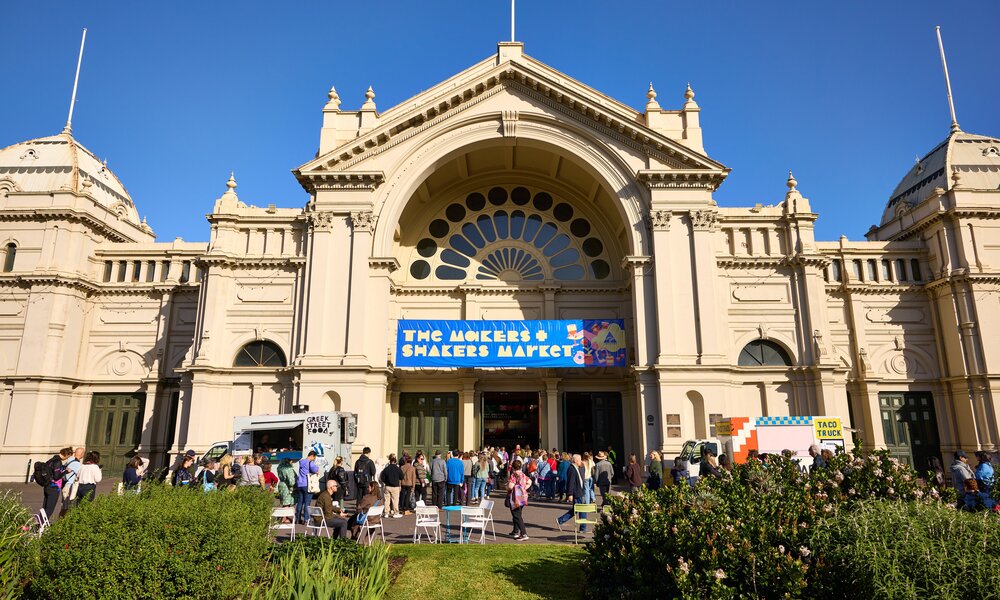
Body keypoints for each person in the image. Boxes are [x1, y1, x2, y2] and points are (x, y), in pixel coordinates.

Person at [556, 454, 589, 532]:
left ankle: (560, 520)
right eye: (579, 460)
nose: (581, 461)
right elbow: (570, 482)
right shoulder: (571, 469)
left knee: (576, 510)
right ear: (575, 460)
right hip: (576, 492)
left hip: (580, 491)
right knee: (581, 509)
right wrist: (570, 494)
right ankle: (583, 528)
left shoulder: (578, 468)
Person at [506, 459, 531, 540]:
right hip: (522, 497)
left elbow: (510, 486)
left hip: (515, 497)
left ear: (513, 467)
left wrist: (506, 487)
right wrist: (524, 488)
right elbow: (529, 482)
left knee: (517, 515)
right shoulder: (523, 475)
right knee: (517, 514)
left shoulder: (514, 475)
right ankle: (515, 531)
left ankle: (523, 534)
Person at [296, 451, 320, 523]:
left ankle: (298, 518)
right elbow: (316, 470)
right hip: (307, 484)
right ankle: (306, 519)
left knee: (300, 501)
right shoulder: (310, 463)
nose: (314, 459)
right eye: (314, 457)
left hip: (300, 484)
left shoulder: (301, 461)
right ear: (312, 456)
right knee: (307, 502)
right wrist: (317, 470)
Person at [59, 447, 84, 517]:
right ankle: (62, 522)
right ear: (82, 454)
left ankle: (61, 521)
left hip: (64, 484)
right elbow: (79, 476)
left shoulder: (70, 459)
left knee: (64, 505)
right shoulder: (78, 465)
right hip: (69, 486)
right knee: (67, 506)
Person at [379, 454, 404, 518]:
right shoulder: (397, 468)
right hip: (395, 486)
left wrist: (386, 482)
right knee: (395, 500)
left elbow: (382, 477)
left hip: (387, 486)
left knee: (387, 500)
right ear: (395, 460)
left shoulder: (386, 469)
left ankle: (386, 513)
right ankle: (396, 513)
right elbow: (402, 477)